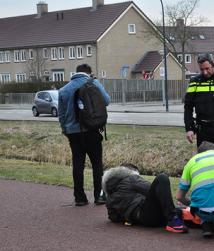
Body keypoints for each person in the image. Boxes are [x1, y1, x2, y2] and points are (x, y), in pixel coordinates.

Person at [58, 64, 110, 206]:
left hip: (73, 133)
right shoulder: (94, 83)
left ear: (76, 72)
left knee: (78, 164)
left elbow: (61, 115)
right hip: (92, 130)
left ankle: (80, 198)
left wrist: (65, 130)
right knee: (97, 164)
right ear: (89, 73)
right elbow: (106, 101)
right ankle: (99, 196)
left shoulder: (63, 90)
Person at [102, 164, 188, 233]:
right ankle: (173, 220)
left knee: (179, 212)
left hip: (143, 221)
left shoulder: (110, 199)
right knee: (162, 178)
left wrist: (129, 217)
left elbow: (113, 218)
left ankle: (185, 217)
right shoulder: (131, 179)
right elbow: (154, 190)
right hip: (146, 213)